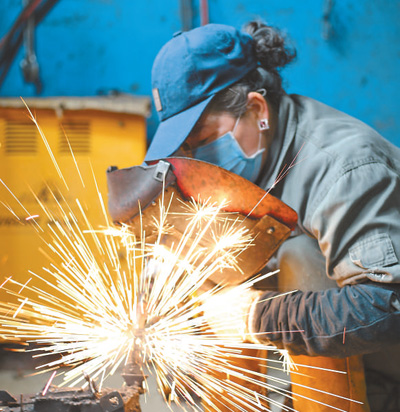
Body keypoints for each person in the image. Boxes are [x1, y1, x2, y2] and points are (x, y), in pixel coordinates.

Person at [145, 21, 400, 411]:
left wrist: (257, 317)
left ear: (256, 110)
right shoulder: (243, 170)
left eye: (204, 141)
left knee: (302, 256)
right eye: (186, 149)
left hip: (387, 363)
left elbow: (385, 309)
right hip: (331, 357)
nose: (196, 160)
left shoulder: (345, 167)